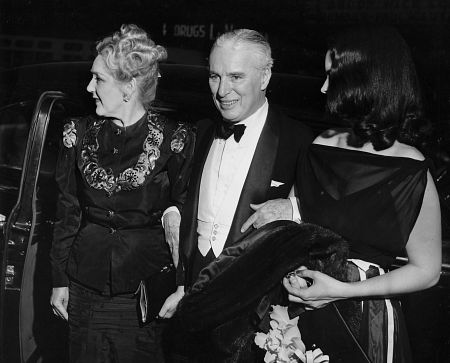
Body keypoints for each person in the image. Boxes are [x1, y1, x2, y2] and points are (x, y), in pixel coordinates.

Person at [283, 26, 442, 363]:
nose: (324, 87)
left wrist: (343, 291)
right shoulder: (318, 147)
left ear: (363, 81)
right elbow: (296, 227)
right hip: (304, 310)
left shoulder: (410, 169)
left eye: (332, 76)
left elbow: (427, 271)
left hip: (366, 322)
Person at [162, 28, 313, 360]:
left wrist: (293, 208)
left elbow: (325, 219)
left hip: (252, 324)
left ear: (265, 77)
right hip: (189, 314)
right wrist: (172, 214)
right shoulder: (199, 132)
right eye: (214, 76)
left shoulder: (299, 142)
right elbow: (176, 195)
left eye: (235, 77)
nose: (222, 91)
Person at [49, 24, 194, 362]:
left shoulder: (176, 141)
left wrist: (183, 284)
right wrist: (59, 279)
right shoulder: (78, 133)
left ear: (129, 87)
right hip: (84, 289)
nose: (89, 88)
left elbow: (185, 223)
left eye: (98, 79)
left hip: (143, 298)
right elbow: (67, 210)